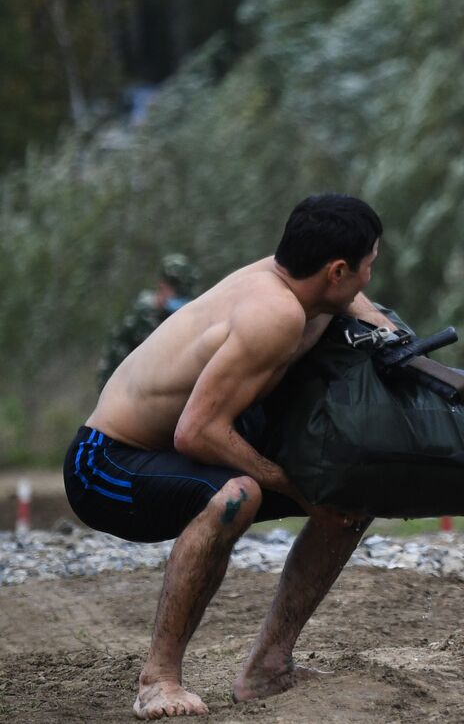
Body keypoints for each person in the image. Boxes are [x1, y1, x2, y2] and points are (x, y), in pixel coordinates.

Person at [64, 194, 395, 718]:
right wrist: (298, 490)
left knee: (351, 491)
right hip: (104, 463)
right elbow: (196, 433)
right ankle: (158, 679)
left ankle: (268, 668)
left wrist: (392, 336)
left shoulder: (292, 282)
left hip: (173, 447)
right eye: (367, 269)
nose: (368, 282)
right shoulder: (275, 313)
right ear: (336, 270)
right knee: (238, 495)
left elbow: (352, 303)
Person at [98, 253, 201, 385]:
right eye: (177, 294)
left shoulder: (181, 321)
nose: (179, 301)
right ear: (162, 286)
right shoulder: (138, 320)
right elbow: (110, 369)